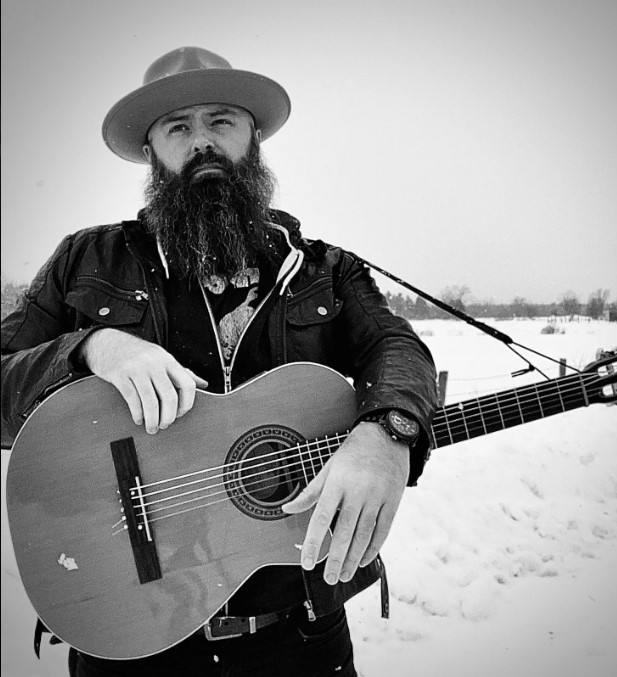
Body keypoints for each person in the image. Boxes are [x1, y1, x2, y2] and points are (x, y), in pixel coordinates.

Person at [1, 46, 437, 676]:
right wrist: (92, 347)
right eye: (178, 127)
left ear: (253, 139)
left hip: (299, 638)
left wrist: (387, 433)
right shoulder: (86, 262)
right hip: (130, 637)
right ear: (151, 150)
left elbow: (397, 350)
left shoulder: (321, 269)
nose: (201, 141)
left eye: (221, 121)